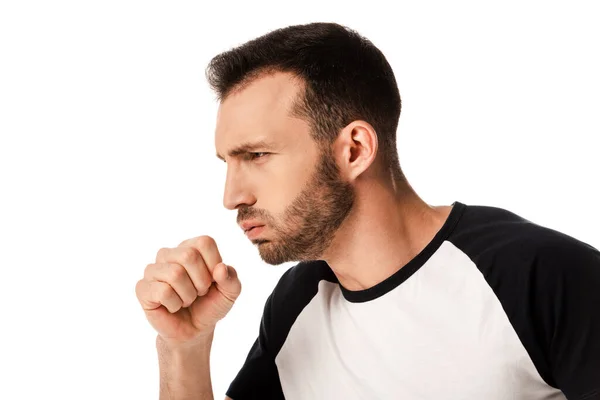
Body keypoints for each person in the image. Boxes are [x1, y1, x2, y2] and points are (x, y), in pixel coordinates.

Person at [135, 22, 600, 400]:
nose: (232, 196)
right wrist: (184, 348)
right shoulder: (298, 303)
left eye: (256, 156)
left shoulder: (537, 275)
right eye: (227, 163)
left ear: (354, 149)